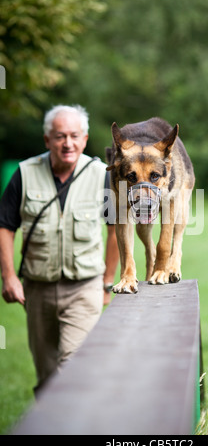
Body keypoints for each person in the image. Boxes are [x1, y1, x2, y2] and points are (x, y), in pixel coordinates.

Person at [0, 104, 119, 393]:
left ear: (85, 139)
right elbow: (5, 225)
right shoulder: (24, 174)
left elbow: (115, 229)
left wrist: (107, 282)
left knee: (72, 370)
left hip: (84, 289)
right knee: (48, 377)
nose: (68, 143)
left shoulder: (100, 174)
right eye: (60, 136)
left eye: (75, 136)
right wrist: (9, 277)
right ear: (47, 140)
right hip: (37, 292)